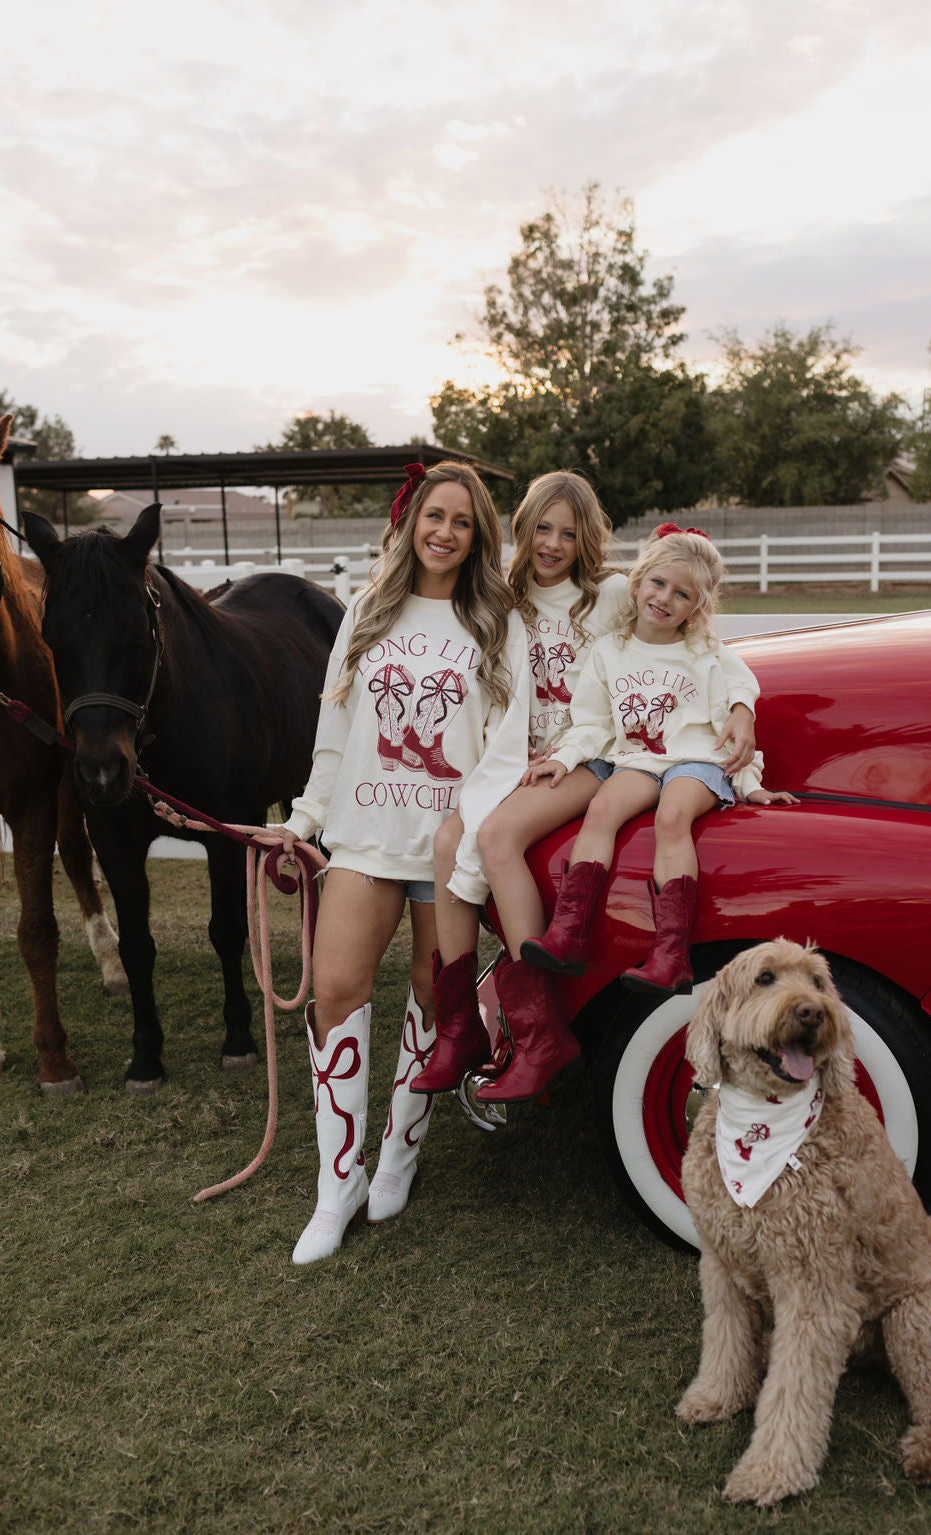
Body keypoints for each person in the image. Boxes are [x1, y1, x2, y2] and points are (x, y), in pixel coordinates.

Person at [259, 461, 530, 1263]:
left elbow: (508, 739)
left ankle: (400, 1152)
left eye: (462, 521)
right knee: (336, 986)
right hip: (365, 835)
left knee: (429, 993)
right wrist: (304, 816)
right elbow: (335, 729)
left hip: (449, 838)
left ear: (478, 535)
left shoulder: (495, 620)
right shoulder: (369, 610)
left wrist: (470, 826)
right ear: (411, 522)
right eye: (433, 516)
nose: (444, 532)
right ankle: (335, 1181)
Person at [411, 471, 629, 1105]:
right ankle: (459, 1030)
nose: (553, 544)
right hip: (517, 758)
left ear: (587, 537)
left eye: (568, 532)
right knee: (449, 840)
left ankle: (538, 1029)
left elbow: (672, 647)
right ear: (522, 528)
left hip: (591, 754)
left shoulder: (608, 595)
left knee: (500, 833)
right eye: (542, 528)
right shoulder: (506, 599)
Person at [520, 523, 797, 995]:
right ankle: (569, 932)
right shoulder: (611, 650)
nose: (666, 599)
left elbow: (741, 686)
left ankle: (671, 953)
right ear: (639, 580)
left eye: (683, 594)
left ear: (698, 606)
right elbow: (590, 724)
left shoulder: (703, 650)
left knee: (672, 816)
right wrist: (564, 760)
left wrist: (744, 721)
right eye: (659, 583)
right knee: (602, 808)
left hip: (697, 760)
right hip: (639, 760)